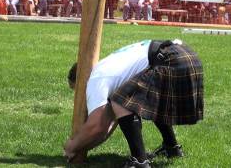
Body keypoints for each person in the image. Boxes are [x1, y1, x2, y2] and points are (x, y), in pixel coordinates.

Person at [64, 39, 204, 167]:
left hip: (170, 59)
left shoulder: (96, 80)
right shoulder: (108, 67)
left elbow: (96, 126)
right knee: (151, 102)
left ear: (81, 82)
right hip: (184, 55)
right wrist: (82, 146)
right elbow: (107, 126)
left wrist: (72, 146)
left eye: (76, 92)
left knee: (122, 103)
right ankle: (171, 148)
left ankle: (139, 161)